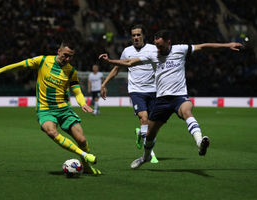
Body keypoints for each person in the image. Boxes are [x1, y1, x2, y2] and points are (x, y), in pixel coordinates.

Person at [99, 29, 243, 169]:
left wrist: (227, 45)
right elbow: (129, 62)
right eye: (156, 46)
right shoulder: (153, 55)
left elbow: (203, 47)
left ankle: (199, 142)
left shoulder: (180, 49)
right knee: (150, 135)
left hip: (179, 97)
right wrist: (110, 60)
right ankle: (145, 157)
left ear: (169, 42)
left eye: (160, 46)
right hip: (161, 100)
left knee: (187, 111)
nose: (158, 49)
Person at [0, 41, 101, 175]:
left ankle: (87, 167)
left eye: (71, 57)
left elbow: (77, 91)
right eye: (65, 55)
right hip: (45, 109)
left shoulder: (71, 71)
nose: (68, 59)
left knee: (82, 140)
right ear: (59, 52)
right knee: (51, 131)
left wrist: (82, 103)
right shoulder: (43, 60)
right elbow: (20, 65)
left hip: (64, 109)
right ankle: (84, 155)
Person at [100, 24, 158, 163]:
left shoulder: (153, 49)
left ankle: (140, 133)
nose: (136, 37)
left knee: (151, 125)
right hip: (136, 91)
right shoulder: (127, 51)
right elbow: (117, 68)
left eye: (138, 34)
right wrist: (104, 83)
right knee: (144, 118)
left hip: (153, 90)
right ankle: (150, 153)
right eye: (133, 35)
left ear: (144, 35)